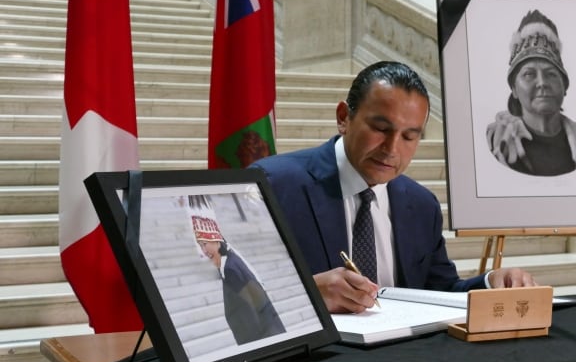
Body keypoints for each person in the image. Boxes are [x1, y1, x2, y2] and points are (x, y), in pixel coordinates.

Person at [250, 61, 536, 314]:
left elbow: (439, 295)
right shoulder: (273, 185)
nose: (391, 149)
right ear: (343, 118)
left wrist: (491, 283)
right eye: (380, 129)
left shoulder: (422, 205)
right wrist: (308, 294)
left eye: (409, 136)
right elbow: (235, 296)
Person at [486, 9, 576, 176]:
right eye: (529, 74)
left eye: (551, 74)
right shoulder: (497, 143)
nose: (542, 83)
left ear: (565, 87)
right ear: (514, 89)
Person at [191, 213, 286, 344]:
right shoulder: (230, 263)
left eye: (205, 244)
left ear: (216, 240)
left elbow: (256, 306)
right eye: (200, 245)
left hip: (265, 337)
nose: (204, 250)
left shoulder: (231, 269)